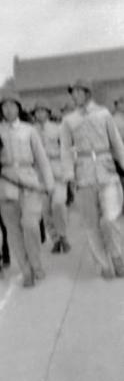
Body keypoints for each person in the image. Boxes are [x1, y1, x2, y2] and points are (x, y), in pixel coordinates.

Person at [61, 79, 124, 279]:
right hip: (83, 175)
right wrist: (70, 176)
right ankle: (104, 264)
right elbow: (65, 151)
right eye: (74, 93)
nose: (76, 96)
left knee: (111, 219)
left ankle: (117, 257)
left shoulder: (104, 114)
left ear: (88, 93)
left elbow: (116, 142)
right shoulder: (68, 121)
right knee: (91, 224)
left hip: (106, 171)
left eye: (80, 92)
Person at [0, 91, 54, 288]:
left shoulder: (29, 130)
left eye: (12, 105)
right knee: (13, 231)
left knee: (31, 225)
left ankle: (36, 264)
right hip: (6, 183)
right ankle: (26, 270)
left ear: (19, 108)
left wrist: (49, 183)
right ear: (0, 110)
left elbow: (42, 158)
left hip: (29, 181)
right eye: (4, 106)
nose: (8, 109)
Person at [31, 99, 71, 254]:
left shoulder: (58, 129)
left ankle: (64, 236)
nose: (40, 114)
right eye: (37, 111)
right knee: (45, 210)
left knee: (58, 204)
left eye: (43, 111)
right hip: (39, 175)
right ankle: (55, 239)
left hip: (57, 172)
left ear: (48, 113)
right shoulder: (31, 131)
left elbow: (67, 149)